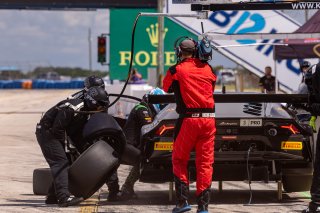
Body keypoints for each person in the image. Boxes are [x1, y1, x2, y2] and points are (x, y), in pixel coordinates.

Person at [163, 38, 216, 213]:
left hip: (189, 120)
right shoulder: (208, 69)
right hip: (209, 120)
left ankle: (182, 202)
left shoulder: (176, 70)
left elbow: (166, 88)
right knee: (205, 163)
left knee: (179, 159)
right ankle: (203, 207)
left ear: (179, 52)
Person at [36, 86, 109, 207]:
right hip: (47, 133)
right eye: (100, 105)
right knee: (61, 162)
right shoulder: (73, 107)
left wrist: (85, 150)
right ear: (92, 101)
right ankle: (63, 198)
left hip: (55, 133)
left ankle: (52, 196)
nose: (101, 108)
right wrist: (67, 147)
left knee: (69, 161)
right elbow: (58, 130)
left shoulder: (85, 110)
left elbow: (76, 133)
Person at [107, 88, 166, 201]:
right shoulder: (142, 109)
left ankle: (115, 191)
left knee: (141, 159)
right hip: (127, 145)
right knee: (142, 160)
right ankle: (126, 188)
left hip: (128, 145)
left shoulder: (145, 108)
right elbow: (150, 128)